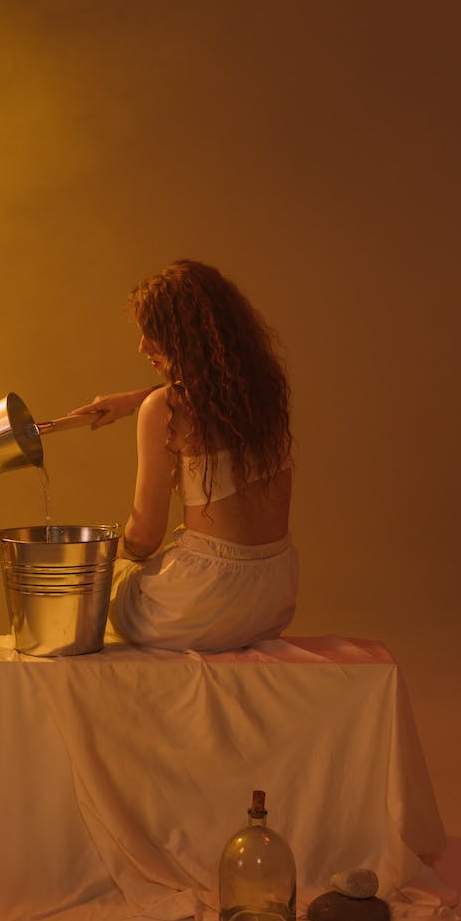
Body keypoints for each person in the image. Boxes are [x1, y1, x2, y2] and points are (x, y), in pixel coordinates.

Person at [72, 259, 298, 652]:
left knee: (106, 587)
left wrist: (113, 561)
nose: (142, 346)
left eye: (153, 333)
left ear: (184, 338)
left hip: (204, 603)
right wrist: (132, 400)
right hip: (274, 595)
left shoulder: (163, 409)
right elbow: (206, 393)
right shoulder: (261, 394)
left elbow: (144, 536)